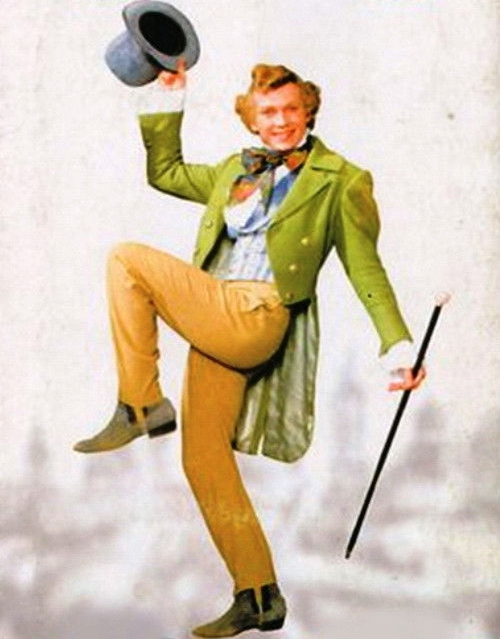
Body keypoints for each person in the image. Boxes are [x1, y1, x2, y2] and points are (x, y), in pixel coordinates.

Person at [74, 61, 425, 637]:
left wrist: (399, 348)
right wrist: (171, 94)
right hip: (216, 310)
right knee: (202, 459)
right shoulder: (234, 170)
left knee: (127, 259)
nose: (280, 122)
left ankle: (141, 406)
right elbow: (164, 172)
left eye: (291, 110)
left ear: (308, 111)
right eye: (268, 112)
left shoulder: (341, 179)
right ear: (252, 119)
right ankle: (259, 595)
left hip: (259, 314)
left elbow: (366, 267)